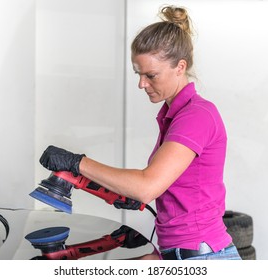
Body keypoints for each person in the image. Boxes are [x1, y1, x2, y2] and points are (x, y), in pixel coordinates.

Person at [39, 5, 241, 260]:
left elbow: (147, 186)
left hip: (204, 258)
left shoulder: (197, 116)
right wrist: (120, 191)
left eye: (151, 75)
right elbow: (160, 187)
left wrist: (77, 163)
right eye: (139, 74)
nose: (142, 84)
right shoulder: (174, 116)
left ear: (180, 67)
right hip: (178, 253)